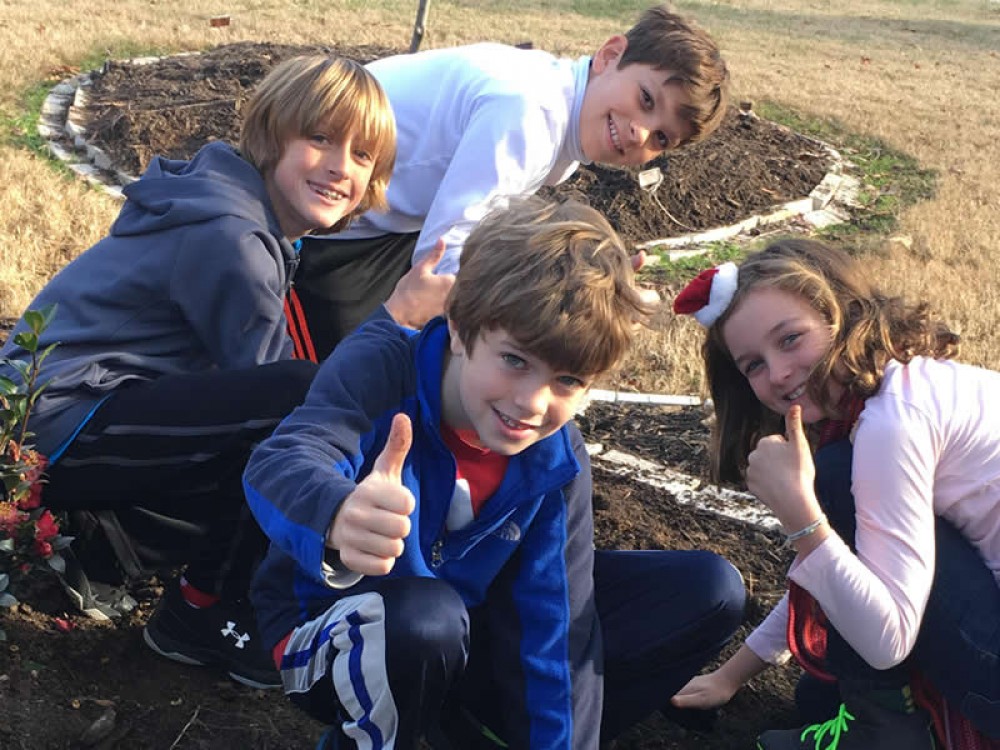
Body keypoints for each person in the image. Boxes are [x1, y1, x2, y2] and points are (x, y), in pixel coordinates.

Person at [243, 198, 746, 749]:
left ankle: (465, 730)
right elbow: (283, 459)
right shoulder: (384, 370)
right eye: (514, 360)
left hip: (462, 629)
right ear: (460, 328)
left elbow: (557, 624)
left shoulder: (556, 452)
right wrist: (336, 513)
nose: (532, 402)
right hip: (326, 627)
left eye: (569, 380)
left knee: (707, 588)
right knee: (424, 620)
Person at [0, 54, 397, 689]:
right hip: (59, 420)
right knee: (291, 405)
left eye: (361, 155)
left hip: (66, 409)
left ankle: (102, 547)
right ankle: (205, 610)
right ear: (270, 136)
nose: (339, 166)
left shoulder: (239, 213)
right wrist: (398, 325)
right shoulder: (232, 239)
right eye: (319, 138)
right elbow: (289, 409)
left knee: (274, 402)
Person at [669, 238, 1000, 749]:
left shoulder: (893, 424)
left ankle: (891, 736)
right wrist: (731, 676)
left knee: (835, 477)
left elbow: (887, 640)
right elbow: (864, 559)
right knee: (817, 697)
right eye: (752, 364)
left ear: (841, 315)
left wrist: (802, 518)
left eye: (790, 339)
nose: (777, 373)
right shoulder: (903, 386)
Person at [286, 3, 730, 360]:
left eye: (661, 138)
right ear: (610, 56)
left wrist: (577, 282)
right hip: (312, 220)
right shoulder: (532, 113)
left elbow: (485, 233)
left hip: (377, 219)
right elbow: (443, 256)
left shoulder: (560, 108)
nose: (639, 132)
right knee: (347, 376)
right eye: (646, 99)